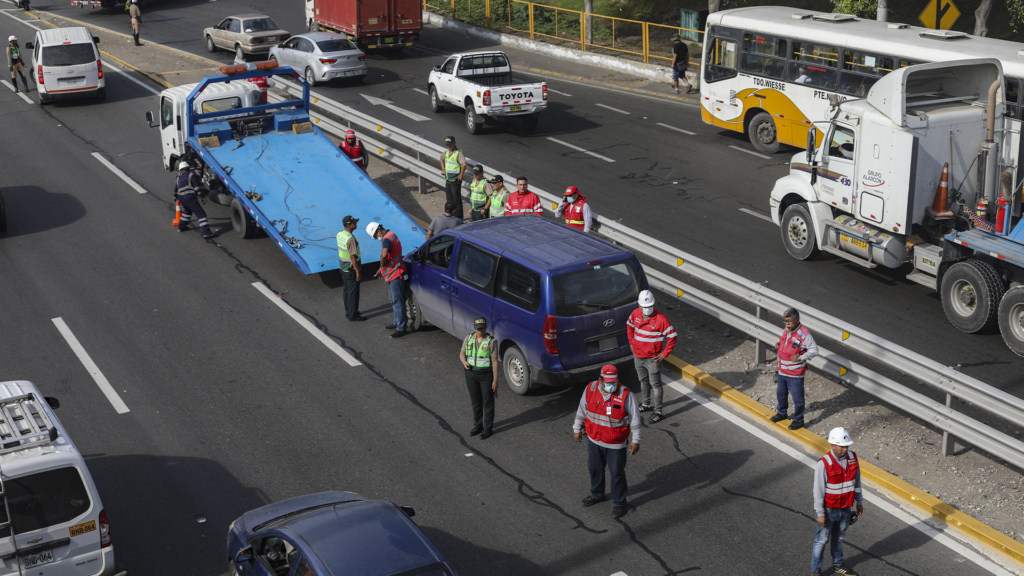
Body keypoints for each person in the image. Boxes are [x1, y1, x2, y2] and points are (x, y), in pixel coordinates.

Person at [572, 365, 641, 520]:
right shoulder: (590, 388)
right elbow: (582, 410)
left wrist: (635, 440)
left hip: (616, 443)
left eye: (614, 382)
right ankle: (597, 494)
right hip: (594, 439)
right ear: (600, 380)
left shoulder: (626, 395)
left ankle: (619, 503)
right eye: (608, 382)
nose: (612, 385)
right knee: (594, 469)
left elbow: (635, 420)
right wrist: (577, 428)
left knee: (617, 473)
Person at [812, 427, 863, 576]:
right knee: (821, 540)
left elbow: (857, 481)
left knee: (839, 538)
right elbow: (818, 491)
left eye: (846, 446)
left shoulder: (853, 457)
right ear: (832, 445)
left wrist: (859, 502)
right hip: (829, 510)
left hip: (845, 508)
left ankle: (838, 565)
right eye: (841, 446)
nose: (845, 449)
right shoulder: (824, 463)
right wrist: (820, 513)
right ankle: (816, 570)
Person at [626, 290, 677, 424]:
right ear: (639, 305)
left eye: (650, 306)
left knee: (656, 385)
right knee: (643, 381)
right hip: (638, 356)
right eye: (644, 307)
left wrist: (664, 354)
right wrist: (631, 342)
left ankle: (659, 411)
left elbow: (672, 336)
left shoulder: (661, 320)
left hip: (652, 359)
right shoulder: (635, 314)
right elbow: (629, 326)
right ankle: (646, 404)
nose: (647, 309)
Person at [770, 307, 818, 431]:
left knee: (797, 398)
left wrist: (801, 357)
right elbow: (787, 343)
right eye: (785, 321)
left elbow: (814, 350)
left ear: (797, 320)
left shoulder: (804, 334)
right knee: (781, 393)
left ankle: (798, 420)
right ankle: (782, 412)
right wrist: (779, 344)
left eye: (790, 321)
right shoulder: (787, 329)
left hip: (794, 373)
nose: (787, 324)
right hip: (782, 370)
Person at [460, 316, 499, 439]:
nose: (480, 331)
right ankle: (478, 426)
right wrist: (464, 362)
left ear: (486, 328)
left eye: (482, 328)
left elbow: (495, 362)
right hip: (471, 375)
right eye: (478, 329)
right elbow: (462, 353)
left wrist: (495, 380)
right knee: (476, 403)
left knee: (487, 403)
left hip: (486, 376)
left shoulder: (491, 341)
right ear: (474, 328)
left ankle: (488, 429)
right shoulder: (469, 338)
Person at [366, 221, 407, 338]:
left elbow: (384, 255)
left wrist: (382, 266)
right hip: (393, 272)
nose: (375, 238)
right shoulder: (391, 235)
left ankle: (401, 327)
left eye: (374, 236)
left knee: (397, 301)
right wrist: (382, 270)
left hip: (395, 273)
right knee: (393, 299)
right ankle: (396, 322)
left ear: (378, 231)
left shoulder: (386, 239)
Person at [337, 215, 366, 322]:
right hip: (351, 269)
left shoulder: (340, 234)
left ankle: (348, 311)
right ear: (348, 225)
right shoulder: (351, 239)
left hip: (343, 268)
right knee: (353, 292)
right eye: (354, 222)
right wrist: (358, 271)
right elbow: (352, 256)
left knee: (346, 290)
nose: (356, 224)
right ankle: (353, 315)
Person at [174, 162, 213, 238]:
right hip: (189, 197)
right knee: (201, 214)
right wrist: (202, 196)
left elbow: (175, 190)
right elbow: (196, 188)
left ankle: (181, 227)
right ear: (188, 169)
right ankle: (206, 232)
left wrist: (175, 197)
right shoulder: (191, 175)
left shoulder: (178, 179)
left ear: (181, 171)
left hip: (181, 198)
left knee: (187, 211)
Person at [438, 136, 466, 220]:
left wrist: (461, 175)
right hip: (448, 179)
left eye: (450, 144)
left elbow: (464, 164)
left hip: (455, 180)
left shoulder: (458, 153)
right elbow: (441, 158)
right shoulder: (447, 152)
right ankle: (451, 214)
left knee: (456, 199)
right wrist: (443, 169)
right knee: (449, 199)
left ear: (454, 143)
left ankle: (459, 217)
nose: (448, 146)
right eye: (447, 145)